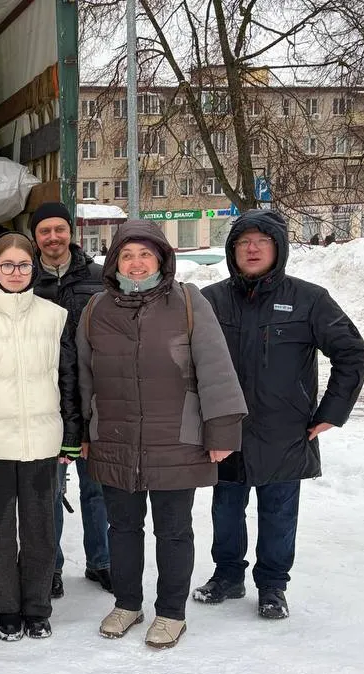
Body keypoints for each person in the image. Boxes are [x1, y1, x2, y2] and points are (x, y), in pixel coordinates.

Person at [77, 220, 247, 649]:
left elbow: (216, 369)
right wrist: (81, 429)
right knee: (122, 526)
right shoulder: (96, 309)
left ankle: (171, 612)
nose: (136, 264)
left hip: (176, 437)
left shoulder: (189, 302)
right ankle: (127, 603)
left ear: (162, 259)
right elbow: (82, 376)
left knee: (173, 530)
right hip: (114, 436)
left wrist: (221, 430)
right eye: (127, 255)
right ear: (114, 261)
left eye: (145, 255)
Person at [194, 209, 364, 619]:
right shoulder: (210, 300)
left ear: (279, 248)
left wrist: (332, 412)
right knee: (226, 507)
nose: (252, 249)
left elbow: (351, 353)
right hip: (228, 431)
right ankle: (227, 575)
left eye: (262, 241)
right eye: (243, 242)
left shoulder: (310, 299)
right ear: (232, 250)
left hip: (286, 431)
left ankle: (272, 586)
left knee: (279, 513)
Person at [0, 232, 82, 642]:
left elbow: (68, 378)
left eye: (23, 265)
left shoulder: (54, 316)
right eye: (7, 265)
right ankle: (6, 607)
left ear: (33, 267)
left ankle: (37, 606)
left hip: (43, 439)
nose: (16, 272)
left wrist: (72, 431)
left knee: (41, 528)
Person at [28, 201, 113, 599]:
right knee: (49, 489)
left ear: (71, 232)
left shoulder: (99, 277)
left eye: (59, 229)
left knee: (95, 486)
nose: (52, 237)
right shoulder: (24, 281)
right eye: (44, 231)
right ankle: (52, 567)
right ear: (35, 237)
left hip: (92, 394)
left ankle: (103, 561)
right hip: (45, 398)